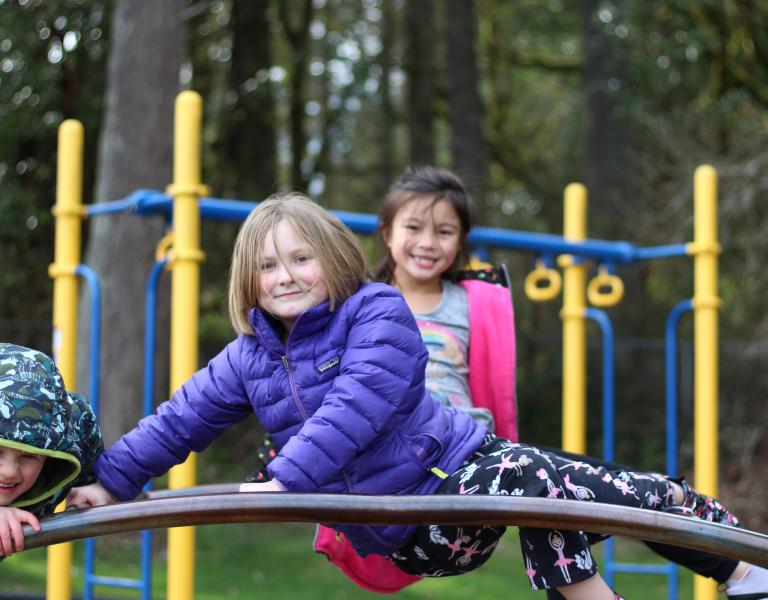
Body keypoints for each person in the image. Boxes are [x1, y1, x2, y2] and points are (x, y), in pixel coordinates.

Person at [67, 193, 765, 600]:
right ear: (247, 282)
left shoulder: (378, 312)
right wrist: (111, 481)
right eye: (267, 267)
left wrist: (283, 478)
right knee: (540, 480)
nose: (284, 277)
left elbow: (357, 405)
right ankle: (729, 562)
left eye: (300, 259)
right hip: (414, 525)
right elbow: (179, 419)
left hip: (461, 468)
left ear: (335, 258)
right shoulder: (247, 356)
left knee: (601, 492)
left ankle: (735, 563)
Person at [0, 342, 103, 557]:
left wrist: (92, 484)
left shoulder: (62, 448)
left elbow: (81, 431)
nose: (10, 471)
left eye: (28, 456)